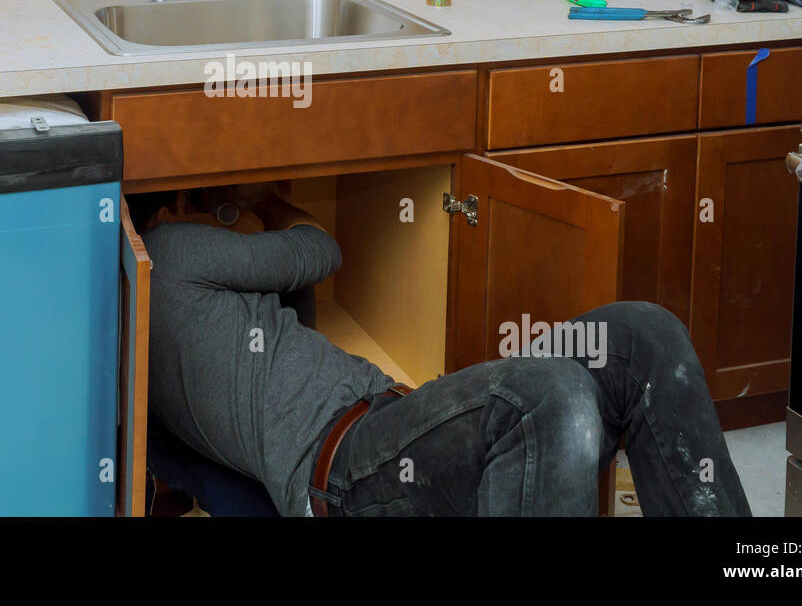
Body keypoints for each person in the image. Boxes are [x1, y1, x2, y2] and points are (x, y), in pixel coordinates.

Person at [138, 187, 751, 517]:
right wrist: (267, 201)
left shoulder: (169, 321)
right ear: (165, 210)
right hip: (346, 470)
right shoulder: (166, 249)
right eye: (200, 206)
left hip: (395, 432)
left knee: (640, 332)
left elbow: (293, 312)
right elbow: (317, 250)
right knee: (548, 396)